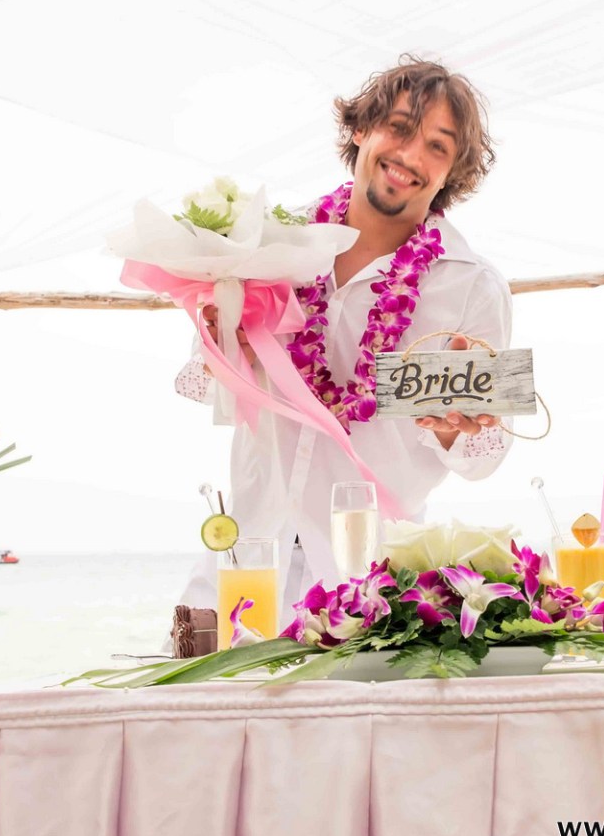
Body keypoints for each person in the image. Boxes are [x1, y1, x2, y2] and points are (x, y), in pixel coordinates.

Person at [173, 56, 514, 624]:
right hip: (244, 563)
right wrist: (224, 348)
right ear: (361, 129)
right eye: (400, 128)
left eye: (437, 146)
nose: (410, 156)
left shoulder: (473, 285)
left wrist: (461, 430)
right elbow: (206, 387)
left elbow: (486, 459)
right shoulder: (274, 243)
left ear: (452, 170)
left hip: (371, 595)